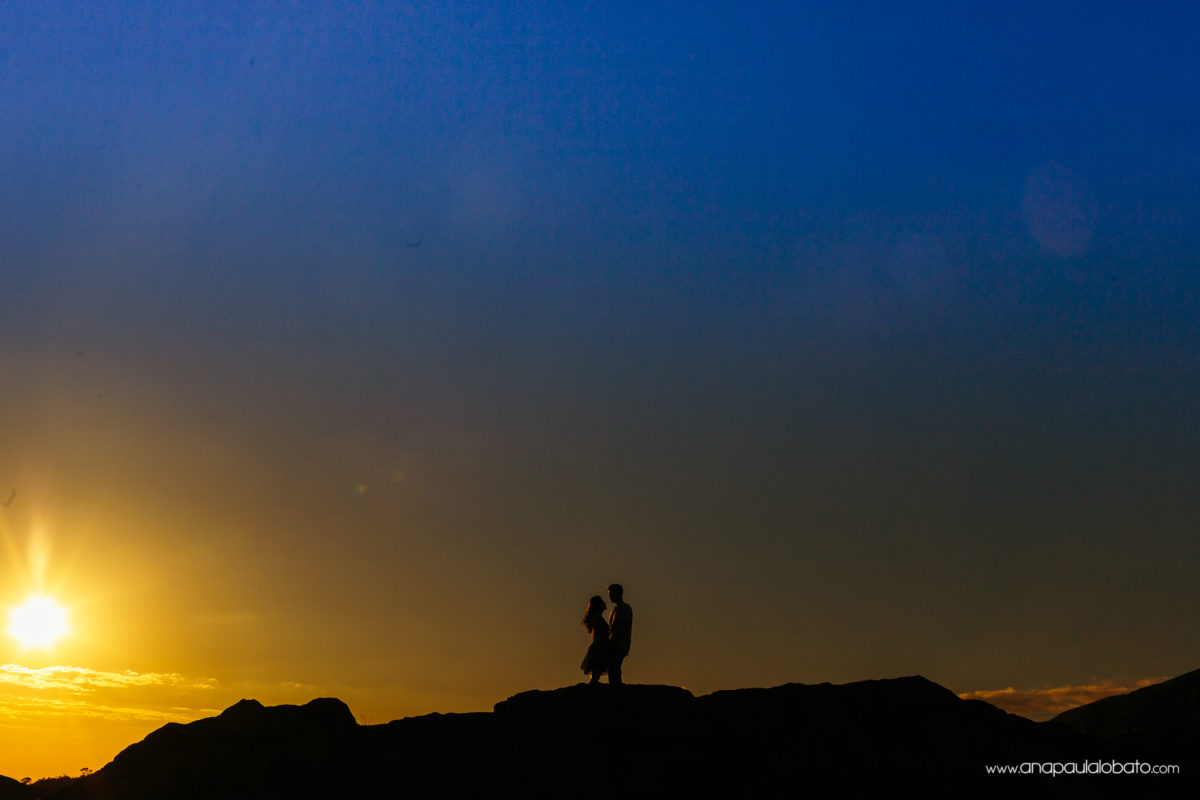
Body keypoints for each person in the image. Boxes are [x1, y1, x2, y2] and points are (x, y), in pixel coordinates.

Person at [606, 583, 633, 685]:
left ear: (618, 593)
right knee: (612, 668)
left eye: (612, 593)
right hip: (613, 643)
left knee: (614, 667)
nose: (610, 596)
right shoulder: (614, 610)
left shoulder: (625, 608)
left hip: (620, 644)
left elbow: (622, 628)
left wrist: (614, 641)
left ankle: (617, 688)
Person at [580, 595, 609, 684]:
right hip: (599, 649)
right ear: (598, 605)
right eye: (602, 602)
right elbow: (599, 635)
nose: (605, 603)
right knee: (596, 675)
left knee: (596, 675)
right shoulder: (597, 618)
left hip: (599, 647)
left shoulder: (597, 617)